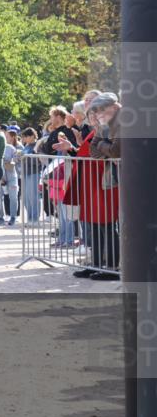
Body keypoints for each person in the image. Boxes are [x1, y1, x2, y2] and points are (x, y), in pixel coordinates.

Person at [64, 92, 121, 280]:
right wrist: (104, 147)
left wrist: (102, 146)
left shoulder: (121, 123)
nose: (97, 116)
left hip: (107, 182)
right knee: (94, 225)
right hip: (93, 183)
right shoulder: (103, 127)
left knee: (107, 225)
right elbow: (93, 151)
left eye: (100, 111)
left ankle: (112, 267)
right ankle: (96, 264)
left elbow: (115, 151)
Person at [0, 129, 20, 226]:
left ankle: (13, 216)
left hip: (11, 175)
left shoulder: (10, 148)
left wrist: (11, 161)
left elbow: (16, 160)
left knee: (13, 196)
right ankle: (0, 217)